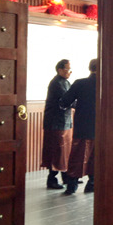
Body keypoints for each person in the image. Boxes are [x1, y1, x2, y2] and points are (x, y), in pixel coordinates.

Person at [59, 58, 97, 195]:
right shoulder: (109, 84)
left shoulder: (80, 83)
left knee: (77, 157)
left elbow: (64, 102)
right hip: (101, 128)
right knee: (96, 158)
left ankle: (71, 186)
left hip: (83, 126)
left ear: (90, 68)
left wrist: (76, 105)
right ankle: (92, 184)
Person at [41, 59, 73, 189]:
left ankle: (67, 177)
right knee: (56, 151)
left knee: (65, 151)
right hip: (55, 123)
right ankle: (52, 179)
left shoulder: (65, 82)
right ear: (60, 70)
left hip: (64, 121)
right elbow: (68, 100)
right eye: (67, 69)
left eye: (70, 70)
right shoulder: (57, 83)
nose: (69, 72)